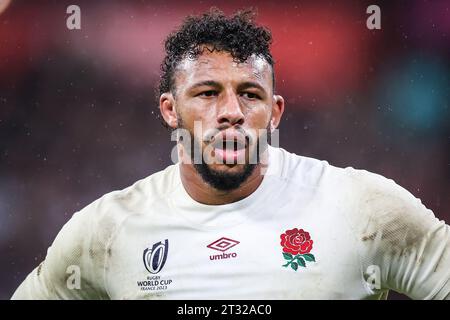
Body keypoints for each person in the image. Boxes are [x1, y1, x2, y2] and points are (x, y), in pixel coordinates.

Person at [12, 9, 449, 300]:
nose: (231, 113)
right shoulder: (106, 230)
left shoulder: (364, 208)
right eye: (207, 93)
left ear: (275, 112)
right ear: (169, 109)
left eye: (250, 94)